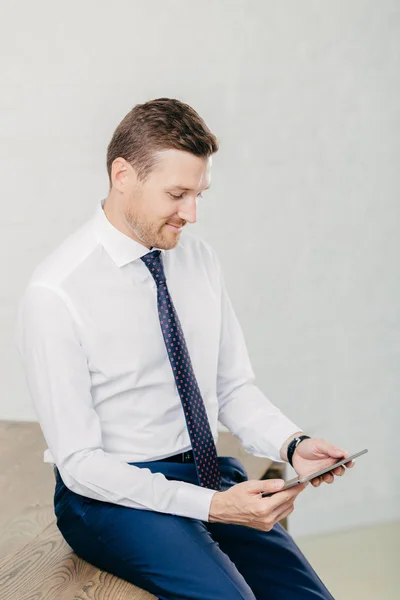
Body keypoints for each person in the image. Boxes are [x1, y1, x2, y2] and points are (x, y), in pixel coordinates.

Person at [15, 98, 354, 599]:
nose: (191, 214)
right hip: (109, 496)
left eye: (199, 194)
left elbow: (231, 387)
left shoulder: (198, 260)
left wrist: (293, 444)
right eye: (177, 194)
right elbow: (81, 464)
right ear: (123, 175)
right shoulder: (56, 293)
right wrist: (214, 507)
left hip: (205, 470)